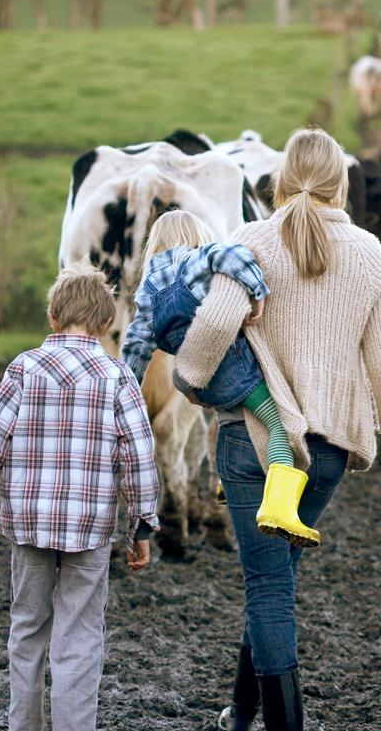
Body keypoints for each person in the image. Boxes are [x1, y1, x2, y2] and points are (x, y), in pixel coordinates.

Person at [175, 127, 381, 731]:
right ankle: (239, 722)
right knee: (275, 579)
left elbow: (215, 324)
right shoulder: (368, 253)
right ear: (342, 184)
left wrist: (189, 378)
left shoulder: (252, 242)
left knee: (267, 586)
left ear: (280, 181)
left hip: (256, 445)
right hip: (330, 452)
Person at [0, 263, 160, 731]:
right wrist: (142, 524)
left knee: (27, 626)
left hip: (27, 525)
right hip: (91, 530)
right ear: (105, 322)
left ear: (52, 315)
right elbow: (139, 454)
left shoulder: (23, 369)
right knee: (80, 633)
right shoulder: (117, 375)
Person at [121, 211, 317, 546]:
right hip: (232, 367)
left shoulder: (147, 290)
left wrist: (125, 389)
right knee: (279, 425)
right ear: (195, 235)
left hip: (196, 381)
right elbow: (232, 254)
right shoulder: (195, 259)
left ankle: (231, 480)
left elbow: (136, 345)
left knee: (238, 418)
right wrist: (258, 292)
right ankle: (280, 508)